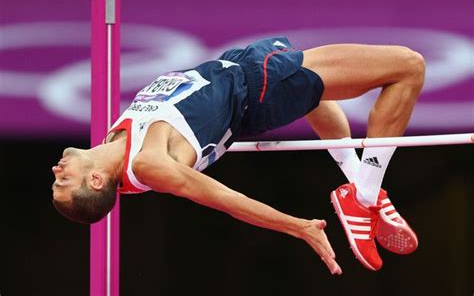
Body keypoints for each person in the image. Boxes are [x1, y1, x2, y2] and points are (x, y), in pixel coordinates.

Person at [51, 37, 425, 275]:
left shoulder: (111, 144)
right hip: (260, 85)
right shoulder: (147, 164)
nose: (57, 169)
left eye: (57, 178)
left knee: (313, 97)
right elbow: (230, 201)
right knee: (408, 67)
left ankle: (358, 183)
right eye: (63, 180)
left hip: (242, 68)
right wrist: (299, 227)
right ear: (96, 181)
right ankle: (363, 195)